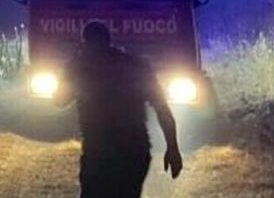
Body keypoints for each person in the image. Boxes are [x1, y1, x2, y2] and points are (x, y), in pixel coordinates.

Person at [55, 21, 183, 198]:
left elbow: (59, 100)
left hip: (98, 152)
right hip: (134, 151)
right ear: (109, 40)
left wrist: (70, 70)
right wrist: (173, 148)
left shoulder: (79, 68)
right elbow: (163, 110)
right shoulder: (135, 66)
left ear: (85, 43)